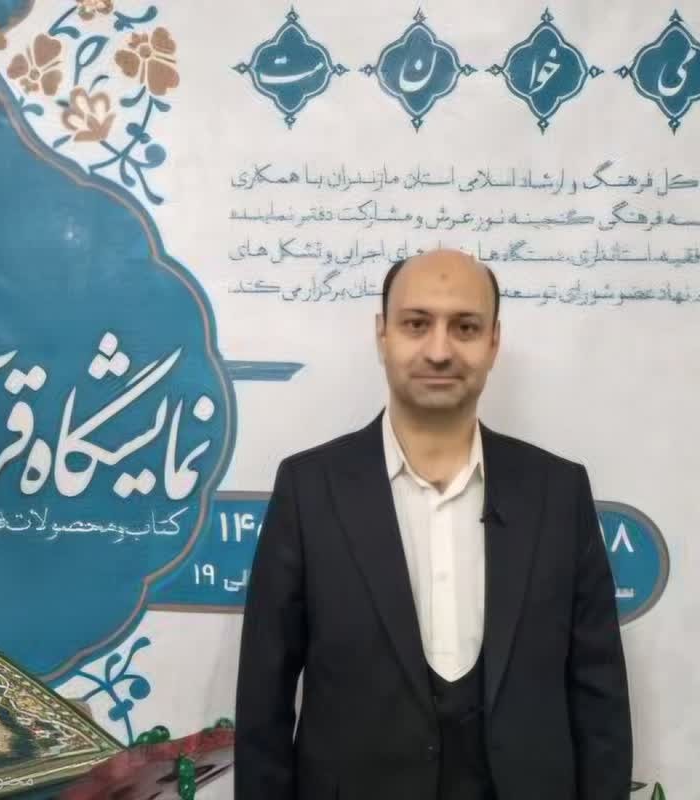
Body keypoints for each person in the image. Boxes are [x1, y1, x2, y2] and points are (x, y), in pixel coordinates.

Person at [234, 249, 632, 800]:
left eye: (465, 327)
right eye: (416, 324)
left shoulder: (558, 492)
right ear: (382, 335)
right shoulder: (309, 489)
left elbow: (599, 700)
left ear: (494, 341)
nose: (440, 351)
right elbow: (264, 705)